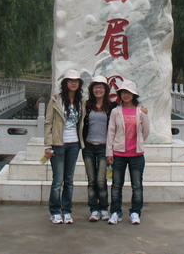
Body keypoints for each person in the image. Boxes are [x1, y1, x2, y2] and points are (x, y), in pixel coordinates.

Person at [44, 69, 85, 224]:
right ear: (65, 83)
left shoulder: (81, 101)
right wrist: (48, 145)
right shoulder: (56, 100)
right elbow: (48, 122)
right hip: (58, 144)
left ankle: (67, 210)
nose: (73, 83)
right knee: (58, 180)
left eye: (76, 81)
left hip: (74, 144)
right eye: (70, 80)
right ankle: (55, 211)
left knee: (69, 180)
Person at [106, 79, 150, 225]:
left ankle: (135, 212)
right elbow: (111, 132)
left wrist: (139, 143)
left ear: (134, 95)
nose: (126, 95)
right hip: (119, 154)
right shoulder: (115, 112)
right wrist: (109, 152)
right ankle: (115, 212)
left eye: (128, 93)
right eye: (123, 92)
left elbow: (145, 131)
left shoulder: (141, 112)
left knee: (136, 185)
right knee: (116, 185)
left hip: (136, 155)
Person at [81, 75, 114, 222]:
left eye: (101, 87)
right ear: (91, 89)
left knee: (101, 180)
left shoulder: (112, 107)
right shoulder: (86, 105)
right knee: (91, 180)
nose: (98, 90)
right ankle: (94, 209)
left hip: (104, 148)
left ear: (105, 90)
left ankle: (104, 208)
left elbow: (127, 108)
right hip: (88, 146)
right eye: (95, 87)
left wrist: (141, 109)